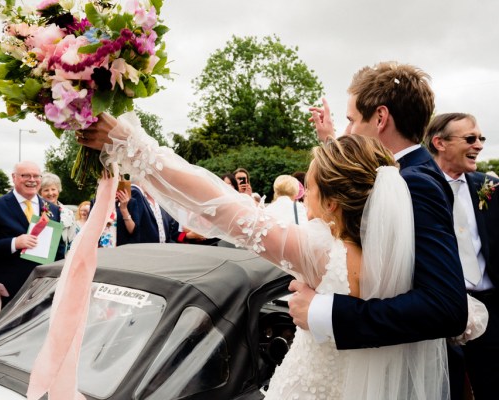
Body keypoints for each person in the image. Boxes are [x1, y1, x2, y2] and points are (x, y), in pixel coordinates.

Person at [77, 114, 465, 398]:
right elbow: (453, 311)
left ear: (331, 203)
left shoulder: (319, 250)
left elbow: (221, 208)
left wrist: (129, 143)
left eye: (309, 189)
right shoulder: (407, 251)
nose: (305, 199)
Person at [304, 62, 469, 399]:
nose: (348, 132)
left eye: (352, 120)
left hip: (403, 379)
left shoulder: (413, 184)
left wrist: (326, 312)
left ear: (380, 118)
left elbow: (444, 307)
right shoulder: (400, 175)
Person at [425, 113, 499, 399]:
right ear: (439, 143)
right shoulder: (418, 186)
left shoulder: (489, 188)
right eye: (470, 138)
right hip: (442, 313)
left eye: (481, 138)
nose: (478, 144)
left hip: (492, 313)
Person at [0, 161, 64, 305]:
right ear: (14, 177)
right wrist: (15, 243)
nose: (32, 180)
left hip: (41, 287)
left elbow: (58, 248)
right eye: (25, 175)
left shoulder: (53, 209)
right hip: (8, 287)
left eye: (36, 176)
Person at [115, 179, 179, 245]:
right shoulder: (137, 197)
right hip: (145, 249)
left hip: (166, 249)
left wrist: (186, 236)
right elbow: (133, 231)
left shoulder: (166, 204)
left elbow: (173, 233)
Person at [40, 173, 76, 250]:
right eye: (46, 190)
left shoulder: (68, 213)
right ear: (40, 192)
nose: (50, 193)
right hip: (40, 256)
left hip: (62, 257)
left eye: (53, 189)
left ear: (58, 190)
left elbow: (72, 239)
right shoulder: (35, 210)